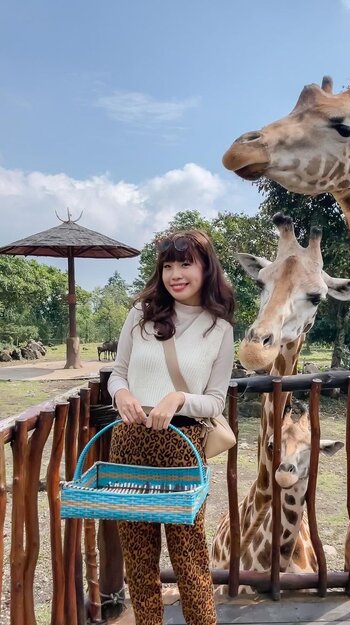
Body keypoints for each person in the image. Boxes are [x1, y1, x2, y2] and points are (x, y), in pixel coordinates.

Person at [108, 229, 235, 625]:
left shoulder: (220, 329)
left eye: (185, 264)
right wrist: (122, 395)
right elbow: (118, 374)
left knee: (190, 555)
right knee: (139, 558)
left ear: (205, 268)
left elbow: (215, 400)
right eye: (167, 265)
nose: (175, 274)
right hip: (129, 442)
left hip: (183, 446)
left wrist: (178, 398)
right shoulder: (140, 315)